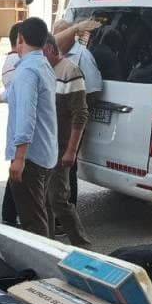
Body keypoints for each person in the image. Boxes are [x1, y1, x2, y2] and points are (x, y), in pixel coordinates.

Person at [5, 17, 58, 237]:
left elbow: (26, 116)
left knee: (33, 222)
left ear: (20, 39)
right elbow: (15, 96)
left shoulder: (27, 71)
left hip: (31, 158)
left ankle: (42, 258)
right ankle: (51, 253)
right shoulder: (43, 65)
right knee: (43, 212)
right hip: (46, 152)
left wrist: (19, 158)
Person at [43, 35, 92, 248]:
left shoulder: (70, 71)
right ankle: (48, 246)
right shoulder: (43, 70)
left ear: (50, 49)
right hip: (44, 146)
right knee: (44, 199)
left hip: (61, 146)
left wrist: (72, 150)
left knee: (58, 199)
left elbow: (80, 114)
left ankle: (83, 246)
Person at [54, 19, 103, 208]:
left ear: (71, 35)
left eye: (61, 35)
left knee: (68, 164)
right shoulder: (55, 56)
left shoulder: (83, 56)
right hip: (56, 121)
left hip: (72, 120)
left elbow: (94, 90)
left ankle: (68, 206)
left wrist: (74, 108)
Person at [1, 22, 22, 227]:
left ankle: (9, 216)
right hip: (21, 128)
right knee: (18, 174)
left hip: (17, 127)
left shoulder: (13, 60)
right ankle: (9, 216)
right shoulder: (16, 61)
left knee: (17, 175)